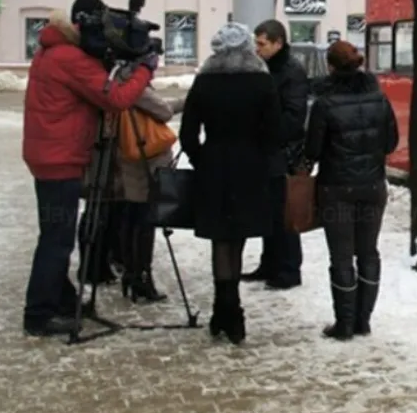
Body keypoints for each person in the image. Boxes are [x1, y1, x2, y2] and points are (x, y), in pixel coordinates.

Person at [20, 0, 156, 337]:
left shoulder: (53, 52)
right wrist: (143, 69)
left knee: (55, 234)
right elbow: (118, 99)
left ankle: (62, 300)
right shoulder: (69, 59)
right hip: (60, 158)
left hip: (50, 155)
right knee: (57, 239)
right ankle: (39, 314)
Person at [178, 22, 282, 345]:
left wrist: (202, 159)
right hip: (249, 170)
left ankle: (223, 310)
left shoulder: (205, 82)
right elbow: (274, 133)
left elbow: (187, 134)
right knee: (236, 239)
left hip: (214, 169)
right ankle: (232, 313)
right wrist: (261, 160)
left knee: (219, 240)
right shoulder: (262, 82)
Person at [304, 40, 398, 340]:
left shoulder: (325, 104)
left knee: (342, 256)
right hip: (373, 187)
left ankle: (344, 323)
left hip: (336, 189)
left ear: (330, 67)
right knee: (368, 253)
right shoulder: (380, 100)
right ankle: (364, 320)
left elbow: (313, 150)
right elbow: (391, 143)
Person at [241, 20, 310, 290]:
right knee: (269, 211)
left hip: (283, 152)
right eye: (255, 43)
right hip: (267, 150)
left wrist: (267, 129)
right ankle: (269, 263)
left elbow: (294, 117)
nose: (257, 49)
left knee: (285, 213)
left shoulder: (291, 71)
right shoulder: (265, 67)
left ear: (278, 43)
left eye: (262, 44)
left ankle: (289, 269)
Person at [113, 84, 185, 302]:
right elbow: (163, 111)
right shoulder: (133, 84)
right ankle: (141, 277)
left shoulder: (116, 82)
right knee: (144, 220)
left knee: (132, 215)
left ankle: (131, 274)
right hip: (143, 158)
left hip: (126, 155)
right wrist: (187, 100)